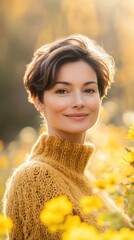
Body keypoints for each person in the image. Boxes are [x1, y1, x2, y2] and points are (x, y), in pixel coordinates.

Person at [3, 34, 133, 240]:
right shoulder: (35, 179)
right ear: (38, 100)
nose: (79, 101)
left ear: (101, 96)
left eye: (89, 90)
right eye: (62, 91)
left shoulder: (87, 180)